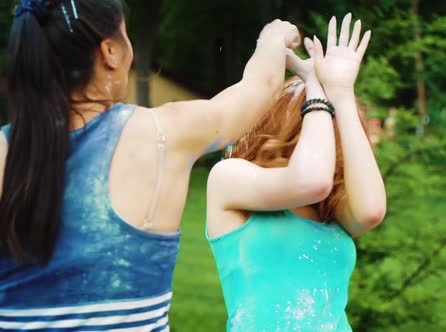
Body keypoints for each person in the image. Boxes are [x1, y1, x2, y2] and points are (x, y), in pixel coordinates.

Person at [0, 0, 299, 330]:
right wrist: (272, 39)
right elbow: (259, 90)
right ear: (110, 51)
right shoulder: (160, 135)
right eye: (126, 36)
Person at [206, 14, 386, 331]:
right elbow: (309, 181)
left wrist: (342, 94)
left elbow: (371, 211)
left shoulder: (330, 205)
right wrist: (315, 87)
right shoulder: (229, 179)